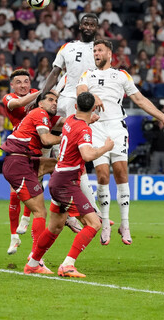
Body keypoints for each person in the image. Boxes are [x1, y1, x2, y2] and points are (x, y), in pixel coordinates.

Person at [77, 39, 164, 245]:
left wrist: (162, 117)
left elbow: (140, 100)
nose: (96, 53)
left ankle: (125, 224)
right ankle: (105, 223)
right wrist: (92, 96)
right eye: (94, 50)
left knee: (121, 173)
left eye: (100, 50)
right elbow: (80, 92)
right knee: (102, 175)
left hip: (116, 128)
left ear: (109, 54)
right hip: (96, 128)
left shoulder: (121, 75)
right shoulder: (88, 74)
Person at [24, 92, 114, 277]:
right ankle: (68, 264)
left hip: (57, 179)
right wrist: (106, 148)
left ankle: (33, 264)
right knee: (93, 223)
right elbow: (87, 155)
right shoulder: (84, 129)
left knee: (55, 227)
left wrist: (89, 120)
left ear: (75, 106)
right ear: (93, 109)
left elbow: (78, 127)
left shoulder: (71, 120)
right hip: (67, 183)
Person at [42, 13, 105, 228]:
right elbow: (55, 73)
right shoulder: (67, 47)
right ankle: (88, 210)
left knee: (72, 161)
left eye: (92, 24)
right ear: (79, 26)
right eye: (85, 23)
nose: (88, 27)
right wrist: (42, 96)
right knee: (65, 158)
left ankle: (76, 210)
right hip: (68, 102)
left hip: (87, 105)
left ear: (96, 28)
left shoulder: (100, 50)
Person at [1, 91, 62, 256]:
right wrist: (67, 138)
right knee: (40, 212)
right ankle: (35, 258)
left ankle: (65, 206)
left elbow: (65, 121)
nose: (54, 103)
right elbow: (46, 140)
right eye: (50, 100)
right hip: (18, 163)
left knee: (58, 165)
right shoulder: (39, 113)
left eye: (56, 101)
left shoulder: (44, 117)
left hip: (25, 161)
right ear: (40, 103)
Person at [1, 69, 43, 247]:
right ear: (12, 85)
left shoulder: (36, 93)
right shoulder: (9, 98)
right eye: (18, 82)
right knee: (14, 193)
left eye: (26, 81)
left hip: (37, 146)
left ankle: (26, 218)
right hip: (18, 147)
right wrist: (43, 92)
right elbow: (20, 103)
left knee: (35, 186)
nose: (23, 85)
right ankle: (13, 237)